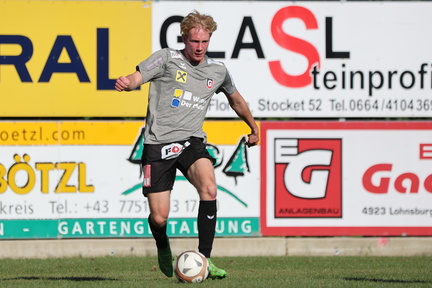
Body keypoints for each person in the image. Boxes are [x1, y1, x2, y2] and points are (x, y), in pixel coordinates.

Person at [114, 10, 259, 279]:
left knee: (210, 188)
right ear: (185, 38)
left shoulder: (217, 71)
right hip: (158, 145)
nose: (200, 48)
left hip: (191, 141)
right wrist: (127, 82)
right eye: (195, 42)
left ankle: (205, 258)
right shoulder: (167, 58)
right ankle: (161, 243)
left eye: (205, 42)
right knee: (159, 218)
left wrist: (253, 126)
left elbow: (236, 100)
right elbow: (138, 77)